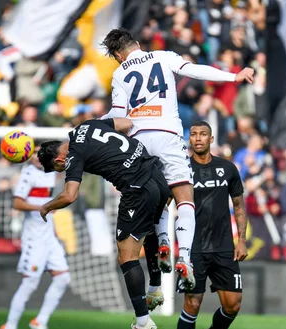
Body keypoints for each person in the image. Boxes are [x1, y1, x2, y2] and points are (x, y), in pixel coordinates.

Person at [100, 28, 254, 291]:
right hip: (168, 134)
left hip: (139, 141)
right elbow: (195, 71)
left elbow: (117, 117)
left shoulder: (120, 73)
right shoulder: (163, 57)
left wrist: (92, 128)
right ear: (137, 43)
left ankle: (162, 240)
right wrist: (234, 76)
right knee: (184, 197)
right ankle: (184, 256)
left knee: (158, 195)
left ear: (117, 54)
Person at [37, 118, 171, 329]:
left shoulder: (73, 155)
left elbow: (69, 195)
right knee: (145, 231)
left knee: (126, 255)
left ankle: (142, 322)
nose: (63, 169)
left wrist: (46, 206)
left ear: (60, 159)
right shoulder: (86, 126)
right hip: (157, 176)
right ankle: (154, 288)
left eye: (59, 168)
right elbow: (126, 123)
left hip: (137, 188)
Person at [175, 121, 248, 329]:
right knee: (192, 303)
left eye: (202, 134)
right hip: (193, 248)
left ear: (211, 138)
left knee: (233, 305)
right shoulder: (181, 168)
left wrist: (242, 240)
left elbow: (238, 206)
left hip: (224, 247)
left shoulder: (227, 168)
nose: (197, 138)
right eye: (193, 134)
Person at [0, 152, 71, 329]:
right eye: (34, 154)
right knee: (30, 283)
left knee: (63, 278)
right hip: (34, 238)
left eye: (41, 153)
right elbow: (17, 203)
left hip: (49, 235)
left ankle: (40, 321)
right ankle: (9, 327)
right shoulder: (28, 173)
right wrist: (43, 206)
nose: (38, 157)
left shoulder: (49, 173)